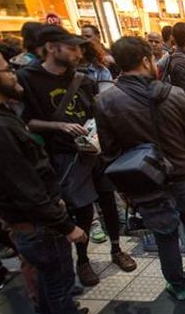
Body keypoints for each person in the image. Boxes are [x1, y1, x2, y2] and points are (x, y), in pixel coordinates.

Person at [0, 46, 122, 314]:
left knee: (50, 275)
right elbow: (25, 189)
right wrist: (67, 225)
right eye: (5, 69)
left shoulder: (7, 116)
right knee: (58, 277)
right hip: (37, 223)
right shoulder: (1, 129)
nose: (15, 74)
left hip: (35, 219)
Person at [95, 36, 185, 300]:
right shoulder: (175, 95)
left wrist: (124, 189)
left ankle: (179, 286)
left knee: (165, 236)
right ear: (146, 60)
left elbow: (109, 152)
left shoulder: (106, 102)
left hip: (144, 181)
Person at [17, 25, 136, 287]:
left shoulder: (83, 79)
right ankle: (83, 260)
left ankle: (117, 249)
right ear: (51, 48)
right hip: (63, 156)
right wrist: (59, 126)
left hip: (95, 151)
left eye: (79, 48)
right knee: (81, 208)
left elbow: (97, 112)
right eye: (71, 48)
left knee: (108, 200)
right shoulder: (28, 79)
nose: (77, 53)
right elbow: (24, 122)